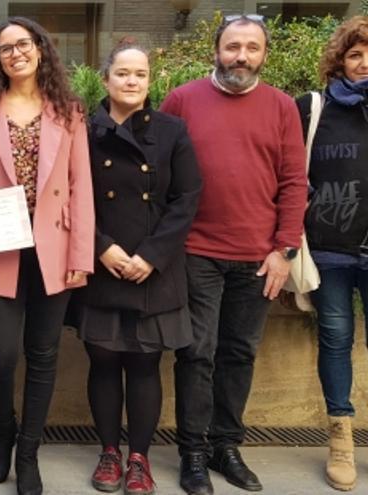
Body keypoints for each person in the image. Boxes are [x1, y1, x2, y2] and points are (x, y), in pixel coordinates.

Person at [159, 14, 307, 495]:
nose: (241, 56)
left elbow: (293, 182)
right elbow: (159, 172)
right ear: (216, 51)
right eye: (232, 46)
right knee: (196, 353)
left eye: (251, 48)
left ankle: (227, 446)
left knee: (238, 353)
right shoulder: (182, 99)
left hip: (259, 257)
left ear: (264, 54)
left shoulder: (283, 107)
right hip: (196, 252)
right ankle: (194, 453)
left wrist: (284, 248)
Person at [0, 17, 94, 495]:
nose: (15, 53)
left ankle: (29, 451)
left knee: (43, 354)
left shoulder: (69, 110)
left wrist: (81, 252)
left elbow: (81, 189)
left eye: (23, 44)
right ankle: (4, 429)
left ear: (40, 49)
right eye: (4, 49)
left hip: (54, 249)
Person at [69, 40, 201, 495]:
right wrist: (101, 248)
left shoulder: (172, 131)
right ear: (105, 79)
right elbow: (70, 197)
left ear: (150, 81)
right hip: (103, 262)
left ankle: (139, 459)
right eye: (122, 73)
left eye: (140, 74)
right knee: (103, 361)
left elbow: (186, 199)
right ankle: (109, 452)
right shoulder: (82, 132)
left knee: (145, 365)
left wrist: (152, 255)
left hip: (154, 269)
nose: (131, 81)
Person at [295, 15, 368, 492]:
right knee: (336, 341)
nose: (364, 63)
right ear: (339, 60)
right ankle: (341, 440)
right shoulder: (313, 108)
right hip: (330, 251)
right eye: (356, 53)